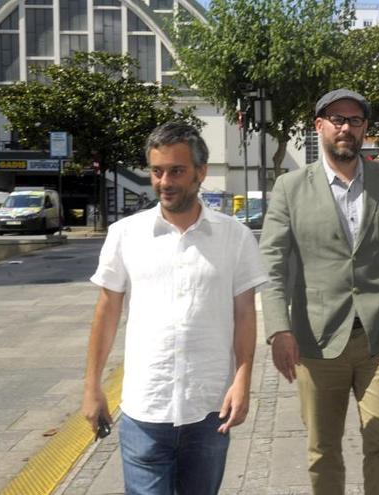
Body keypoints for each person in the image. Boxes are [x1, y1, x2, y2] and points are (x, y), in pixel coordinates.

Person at [82, 122, 268, 495]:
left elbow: (245, 315)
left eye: (177, 170)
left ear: (200, 172)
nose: (165, 181)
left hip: (208, 406)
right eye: (157, 171)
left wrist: (243, 379)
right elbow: (107, 312)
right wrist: (92, 386)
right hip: (145, 408)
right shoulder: (126, 235)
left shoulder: (235, 237)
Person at [259, 88, 379, 495]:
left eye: (354, 120)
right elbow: (272, 264)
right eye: (337, 119)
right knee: (323, 449)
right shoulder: (290, 188)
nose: (345, 128)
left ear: (365, 128)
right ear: (319, 127)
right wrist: (279, 329)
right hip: (315, 341)